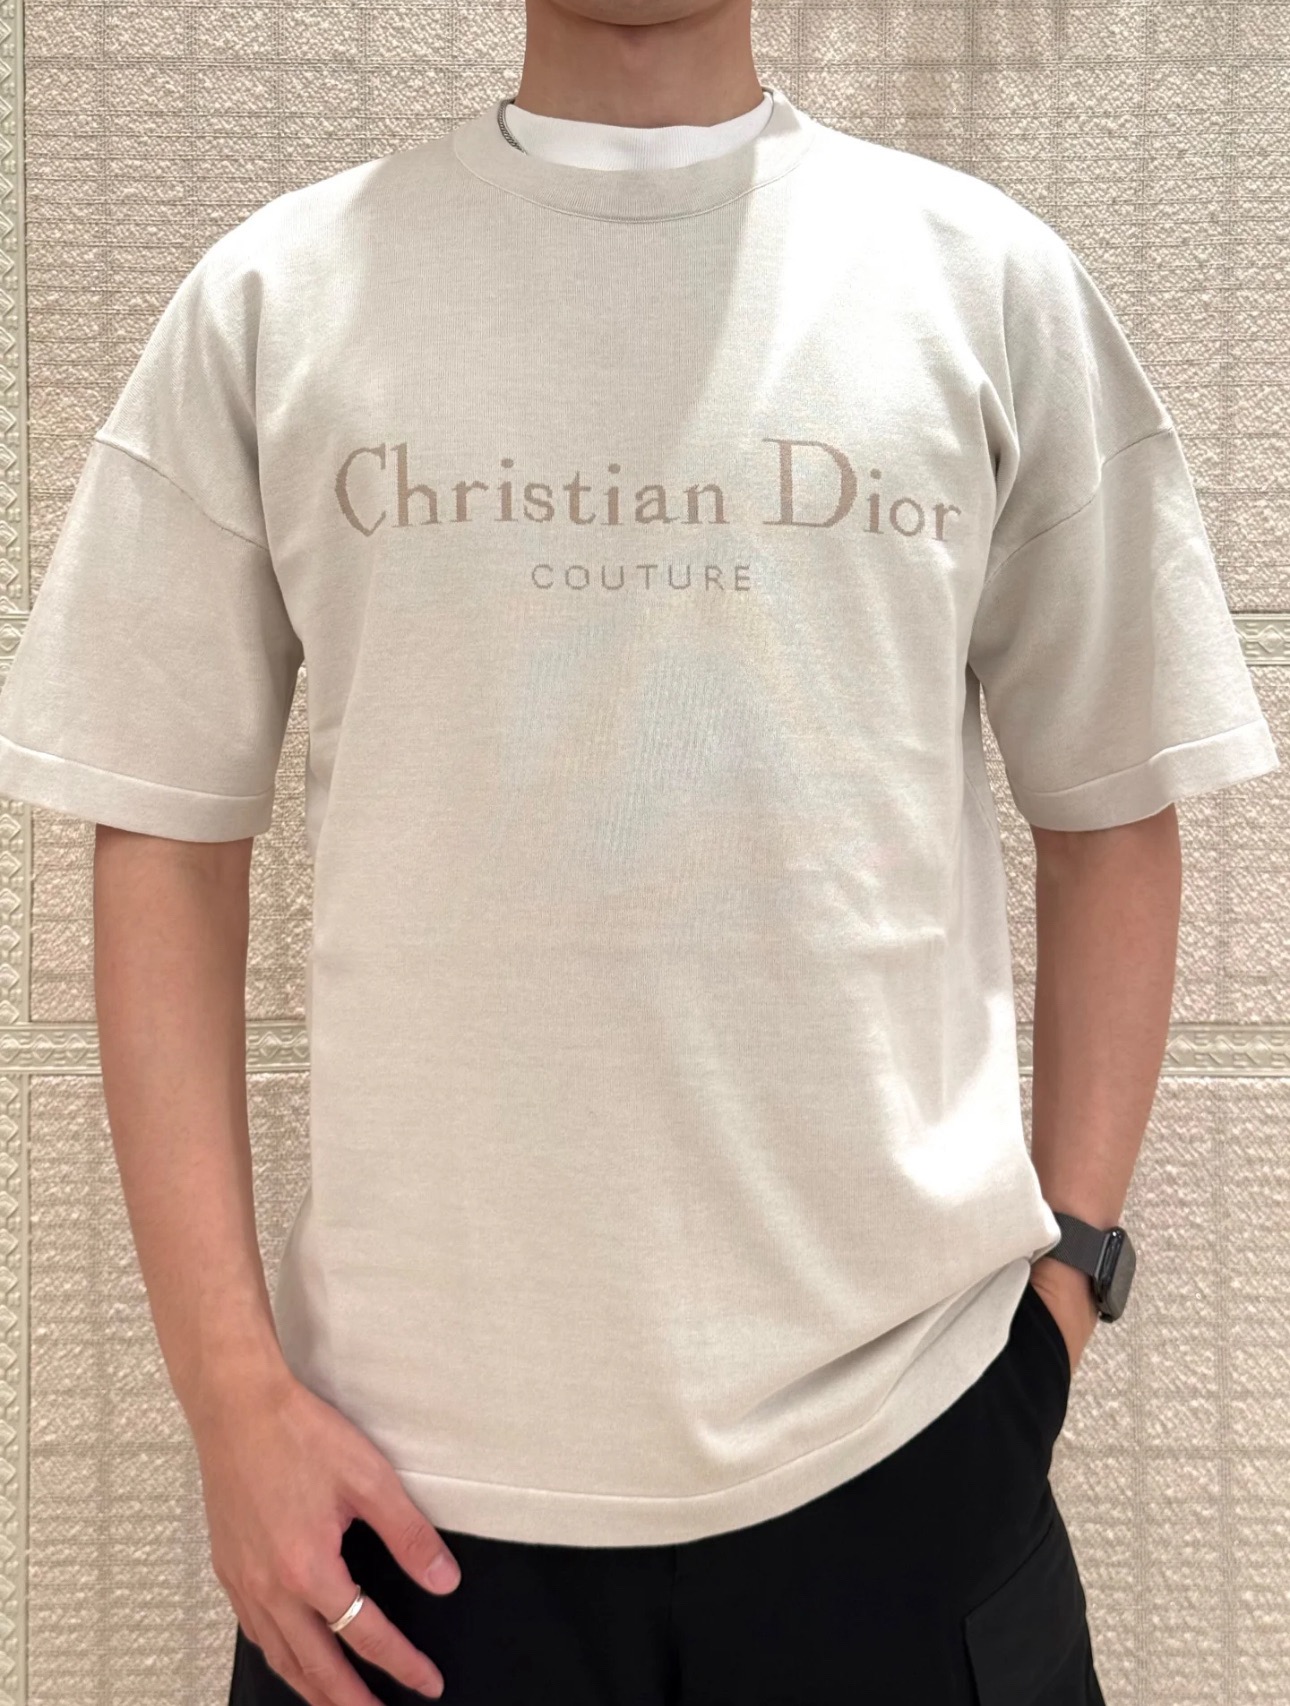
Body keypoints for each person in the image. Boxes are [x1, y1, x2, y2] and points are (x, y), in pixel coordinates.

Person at [0, 1, 1279, 1701]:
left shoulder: (985, 285)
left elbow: (1114, 804)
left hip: (910, 1459)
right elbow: (161, 839)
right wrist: (231, 1397)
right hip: (402, 1509)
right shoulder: (271, 300)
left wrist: (1063, 1286)